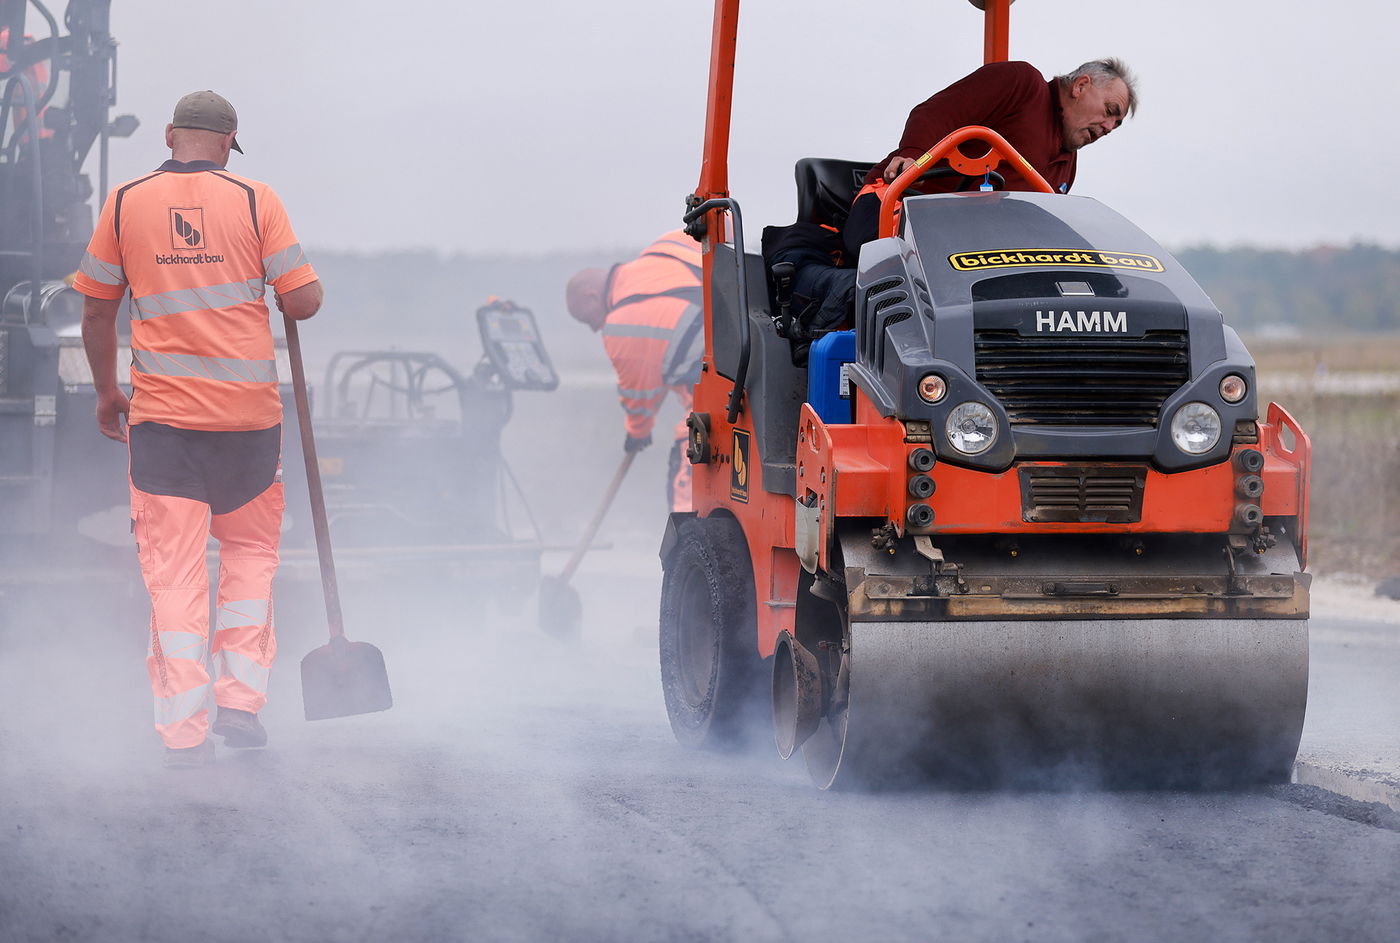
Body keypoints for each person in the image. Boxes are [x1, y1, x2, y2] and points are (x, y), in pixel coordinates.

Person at [74, 90, 323, 768]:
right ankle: (240, 701)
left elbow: (96, 312)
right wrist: (281, 284)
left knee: (175, 576)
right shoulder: (255, 199)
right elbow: (302, 299)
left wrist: (106, 392)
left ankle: (183, 733)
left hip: (164, 426)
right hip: (248, 425)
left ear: (168, 135)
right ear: (227, 141)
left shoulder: (125, 202)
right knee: (248, 564)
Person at [774, 58, 1139, 342]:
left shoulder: (1066, 164)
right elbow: (934, 112)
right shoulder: (1022, 84)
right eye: (1110, 111)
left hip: (968, 252)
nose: (1108, 129)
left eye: (1116, 126)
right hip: (900, 211)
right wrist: (912, 154)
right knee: (923, 299)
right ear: (1081, 85)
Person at [565, 231, 703, 512]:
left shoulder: (623, 322)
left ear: (592, 297)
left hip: (719, 404)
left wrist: (637, 433)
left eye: (588, 319)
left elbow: (639, 396)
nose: (594, 328)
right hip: (770, 355)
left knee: (686, 503)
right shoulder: (668, 246)